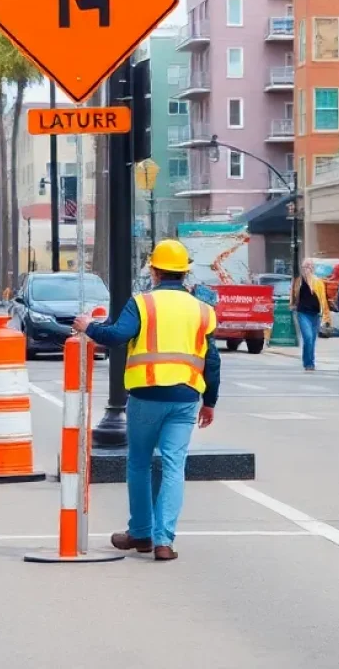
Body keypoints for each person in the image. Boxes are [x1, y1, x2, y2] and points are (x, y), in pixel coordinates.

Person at [72, 239, 220, 562]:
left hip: (145, 397)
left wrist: (88, 327)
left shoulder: (142, 304)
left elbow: (116, 336)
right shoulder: (202, 310)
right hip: (185, 399)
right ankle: (164, 541)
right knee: (173, 466)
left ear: (154, 271)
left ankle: (141, 533)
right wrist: (209, 401)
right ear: (184, 274)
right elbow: (212, 360)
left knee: (139, 463)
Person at [292, 258, 330, 371]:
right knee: (308, 337)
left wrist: (326, 317)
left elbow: (323, 299)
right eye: (305, 266)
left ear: (313, 268)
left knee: (312, 340)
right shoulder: (299, 281)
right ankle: (308, 363)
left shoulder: (319, 282)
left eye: (309, 266)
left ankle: (310, 362)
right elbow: (294, 295)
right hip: (303, 313)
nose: (307, 268)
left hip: (316, 314)